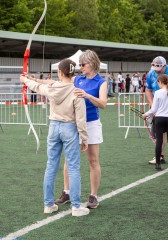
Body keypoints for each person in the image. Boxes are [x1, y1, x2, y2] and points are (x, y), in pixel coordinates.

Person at [20, 59, 90, 217]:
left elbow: (38, 87)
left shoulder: (53, 88)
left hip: (54, 128)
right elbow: (81, 118)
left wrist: (25, 80)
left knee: (51, 166)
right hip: (70, 129)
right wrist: (84, 138)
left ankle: (48, 205)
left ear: (60, 73)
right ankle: (76, 207)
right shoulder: (76, 91)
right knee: (73, 168)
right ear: (73, 73)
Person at [55, 49, 107, 209]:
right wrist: (32, 80)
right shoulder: (77, 79)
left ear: (92, 64)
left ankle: (93, 196)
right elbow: (56, 83)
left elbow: (103, 104)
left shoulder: (101, 82)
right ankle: (67, 192)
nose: (80, 67)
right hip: (75, 124)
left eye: (83, 64)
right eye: (80, 65)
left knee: (93, 160)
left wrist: (87, 95)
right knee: (68, 160)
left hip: (91, 124)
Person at [142, 74, 168, 171]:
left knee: (159, 141)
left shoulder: (157, 92)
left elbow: (154, 109)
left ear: (160, 82)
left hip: (160, 119)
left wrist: (145, 114)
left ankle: (158, 164)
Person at [146, 56, 168, 165]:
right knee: (160, 135)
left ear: (164, 66)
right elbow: (148, 90)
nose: (156, 72)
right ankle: (161, 156)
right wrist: (152, 105)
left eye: (159, 69)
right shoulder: (151, 73)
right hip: (159, 109)